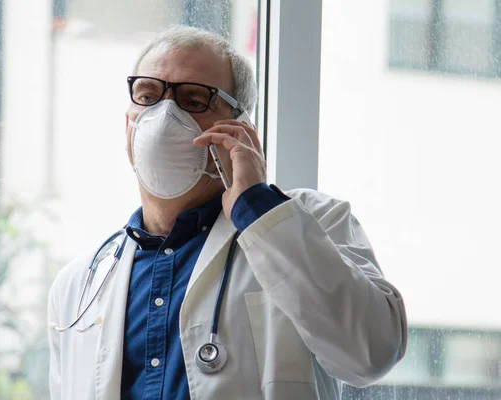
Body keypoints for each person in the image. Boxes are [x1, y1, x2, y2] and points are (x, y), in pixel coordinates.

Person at [47, 26, 407, 400]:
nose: (164, 115)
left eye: (194, 99)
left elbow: (372, 353)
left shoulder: (309, 222)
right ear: (128, 129)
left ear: (241, 129)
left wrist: (257, 208)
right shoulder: (80, 284)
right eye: (148, 95)